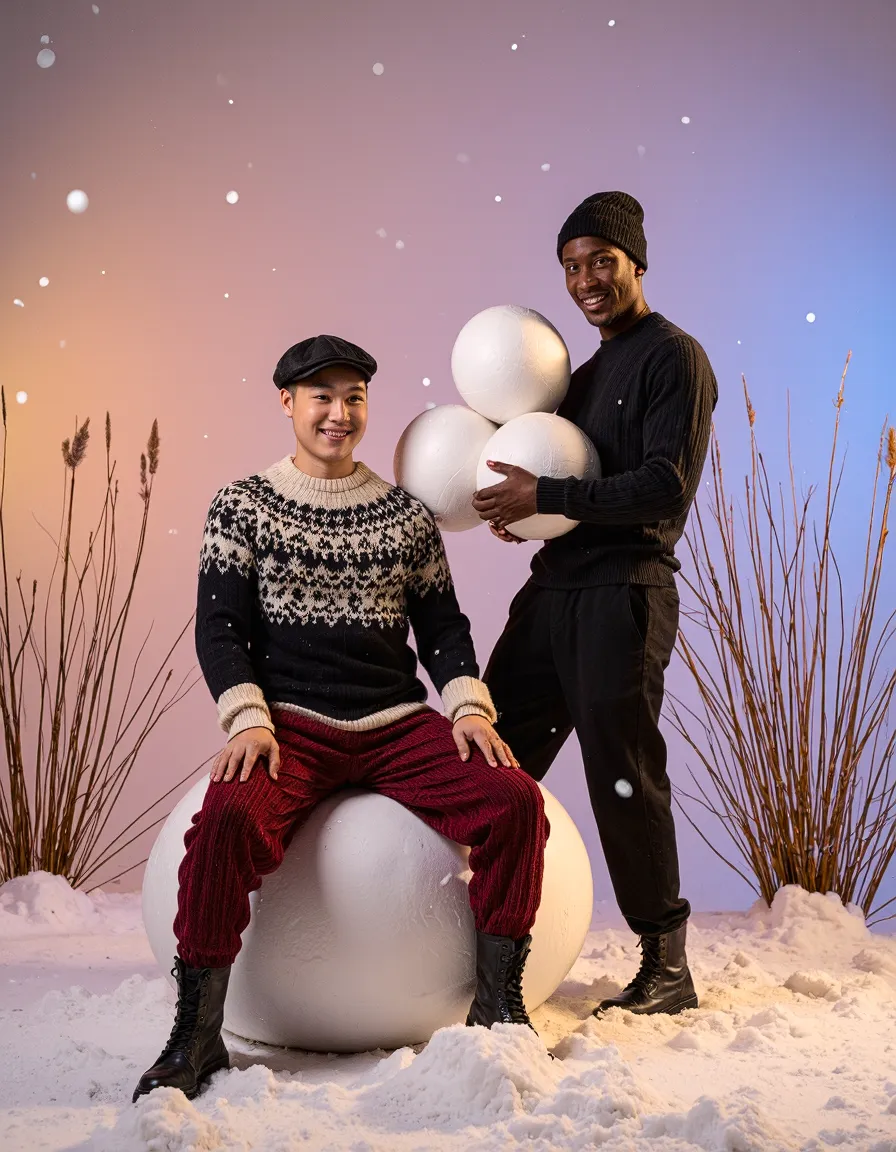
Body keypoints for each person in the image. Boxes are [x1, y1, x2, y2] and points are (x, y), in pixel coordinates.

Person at [133, 334, 548, 1102]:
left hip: (396, 722)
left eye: (353, 397)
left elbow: (444, 627)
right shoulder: (243, 506)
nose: (338, 412)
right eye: (321, 396)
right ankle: (197, 1037)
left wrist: (465, 703)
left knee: (515, 801)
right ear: (287, 402)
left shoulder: (404, 515)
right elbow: (218, 629)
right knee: (225, 821)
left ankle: (499, 1008)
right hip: (290, 724)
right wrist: (248, 720)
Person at [473, 191, 717, 1018]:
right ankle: (481, 934)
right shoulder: (580, 377)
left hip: (626, 592)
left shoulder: (673, 358)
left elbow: (662, 486)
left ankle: (666, 963)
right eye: (572, 267)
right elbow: (561, 482)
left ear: (636, 263)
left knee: (623, 777)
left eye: (601, 262)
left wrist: (553, 491)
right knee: (490, 746)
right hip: (556, 589)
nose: (586, 280)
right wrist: (527, 510)